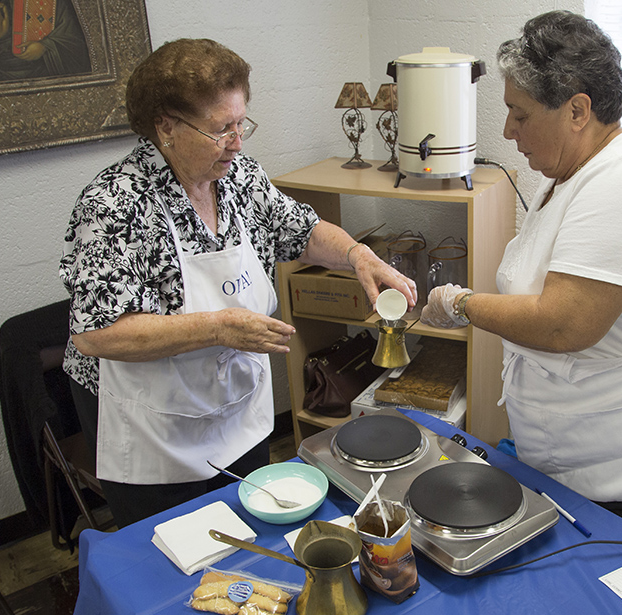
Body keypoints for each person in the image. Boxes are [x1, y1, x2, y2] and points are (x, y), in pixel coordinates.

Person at [59, 38, 416, 528]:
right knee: (176, 557)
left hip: (236, 414)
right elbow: (97, 333)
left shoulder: (240, 176)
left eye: (241, 123)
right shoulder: (113, 205)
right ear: (166, 126)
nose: (238, 141)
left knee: (246, 534)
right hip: (154, 432)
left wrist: (357, 254)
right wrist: (218, 328)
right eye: (220, 128)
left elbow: (302, 230)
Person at [421, 10, 622, 545]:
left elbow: (563, 325)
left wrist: (461, 303)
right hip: (584, 435)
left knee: (616, 577)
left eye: (519, 113)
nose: (506, 130)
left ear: (578, 110)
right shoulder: (571, 170)